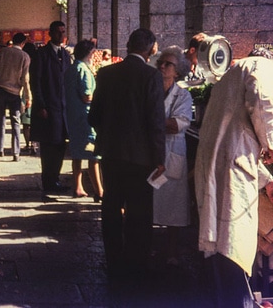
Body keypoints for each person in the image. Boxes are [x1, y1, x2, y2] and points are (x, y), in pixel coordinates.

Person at [194, 48, 273, 308]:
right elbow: (264, 105)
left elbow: (236, 141)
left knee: (225, 252)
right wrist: (271, 145)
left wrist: (267, 179)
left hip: (220, 173)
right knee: (233, 249)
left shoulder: (229, 77)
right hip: (230, 178)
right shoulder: (260, 67)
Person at [88, 28, 166, 278]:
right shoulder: (151, 76)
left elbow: (94, 115)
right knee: (139, 211)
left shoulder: (106, 73)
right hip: (141, 158)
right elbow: (155, 121)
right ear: (151, 48)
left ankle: (113, 259)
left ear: (128, 45)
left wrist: (109, 134)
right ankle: (136, 262)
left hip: (111, 153)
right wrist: (159, 158)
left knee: (111, 205)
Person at [152, 45, 193, 267]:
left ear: (177, 72)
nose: (162, 66)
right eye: (161, 62)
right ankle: (149, 247)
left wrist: (153, 123)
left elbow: (179, 124)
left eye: (168, 64)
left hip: (172, 154)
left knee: (174, 206)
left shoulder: (183, 95)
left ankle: (171, 251)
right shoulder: (151, 90)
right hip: (152, 154)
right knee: (149, 203)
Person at [30, 21, 72, 192]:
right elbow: (36, 81)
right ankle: (48, 180)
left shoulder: (66, 54)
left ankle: (55, 179)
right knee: (49, 146)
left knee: (61, 145)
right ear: (50, 34)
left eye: (63, 32)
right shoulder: (42, 54)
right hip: (48, 107)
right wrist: (41, 105)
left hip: (62, 109)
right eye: (57, 32)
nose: (61, 35)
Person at [64, 39, 104, 202]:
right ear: (90, 54)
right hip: (86, 118)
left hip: (73, 117)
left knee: (77, 153)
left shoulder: (71, 69)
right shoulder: (84, 70)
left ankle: (78, 186)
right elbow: (87, 96)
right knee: (93, 155)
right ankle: (99, 191)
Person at [0, 32, 31, 161]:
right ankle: (15, 153)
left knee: (0, 120)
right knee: (16, 122)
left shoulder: (3, 52)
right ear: (23, 43)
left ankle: (0, 149)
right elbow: (25, 79)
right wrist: (28, 96)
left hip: (0, 90)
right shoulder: (25, 56)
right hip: (14, 93)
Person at [21, 42, 37, 155]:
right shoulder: (38, 63)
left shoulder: (24, 62)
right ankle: (34, 145)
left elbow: (24, 80)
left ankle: (28, 144)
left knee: (26, 123)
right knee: (35, 121)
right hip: (37, 94)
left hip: (26, 94)